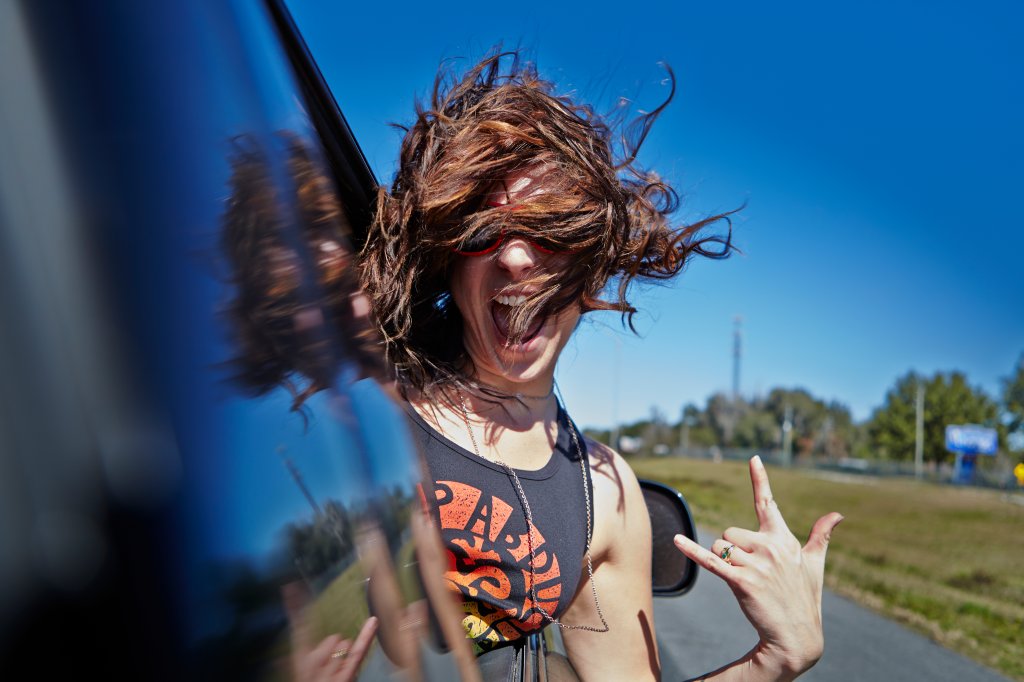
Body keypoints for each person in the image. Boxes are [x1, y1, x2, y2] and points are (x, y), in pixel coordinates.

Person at [357, 48, 844, 681]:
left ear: (592, 267)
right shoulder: (364, 399)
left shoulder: (606, 496)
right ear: (447, 253)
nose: (514, 259)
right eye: (482, 229)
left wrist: (775, 660)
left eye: (548, 230)